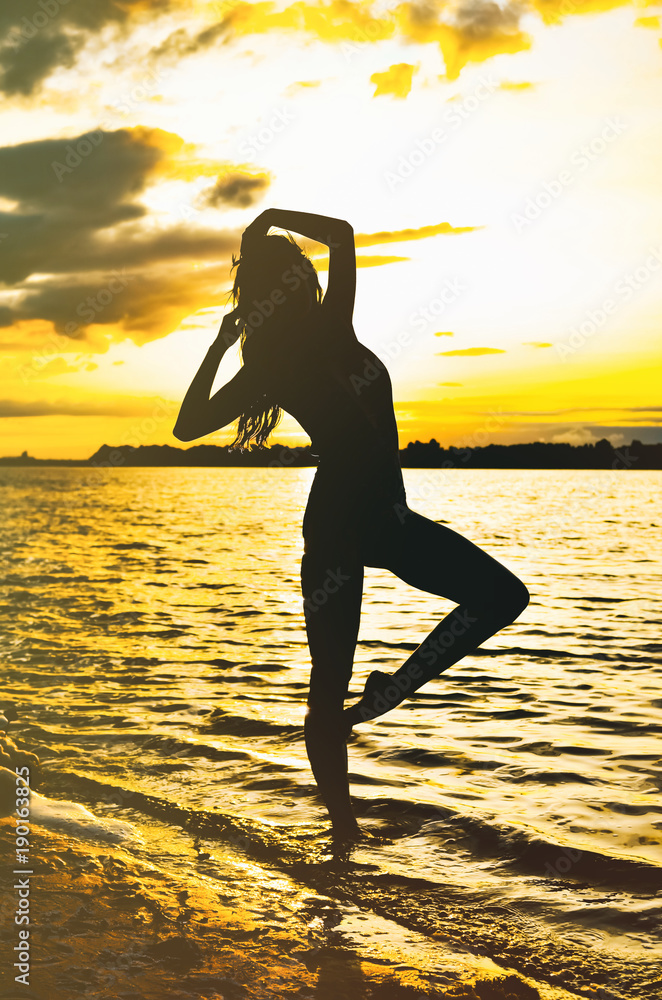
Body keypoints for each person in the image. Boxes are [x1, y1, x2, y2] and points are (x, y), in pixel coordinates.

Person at [173, 209, 529, 842]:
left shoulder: (311, 337)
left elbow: (341, 236)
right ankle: (346, 830)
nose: (301, 279)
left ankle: (375, 737)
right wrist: (269, 224)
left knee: (501, 596)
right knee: (330, 683)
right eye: (291, 272)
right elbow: (186, 427)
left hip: (373, 516)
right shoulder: (298, 347)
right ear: (292, 281)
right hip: (353, 519)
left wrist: (225, 339)